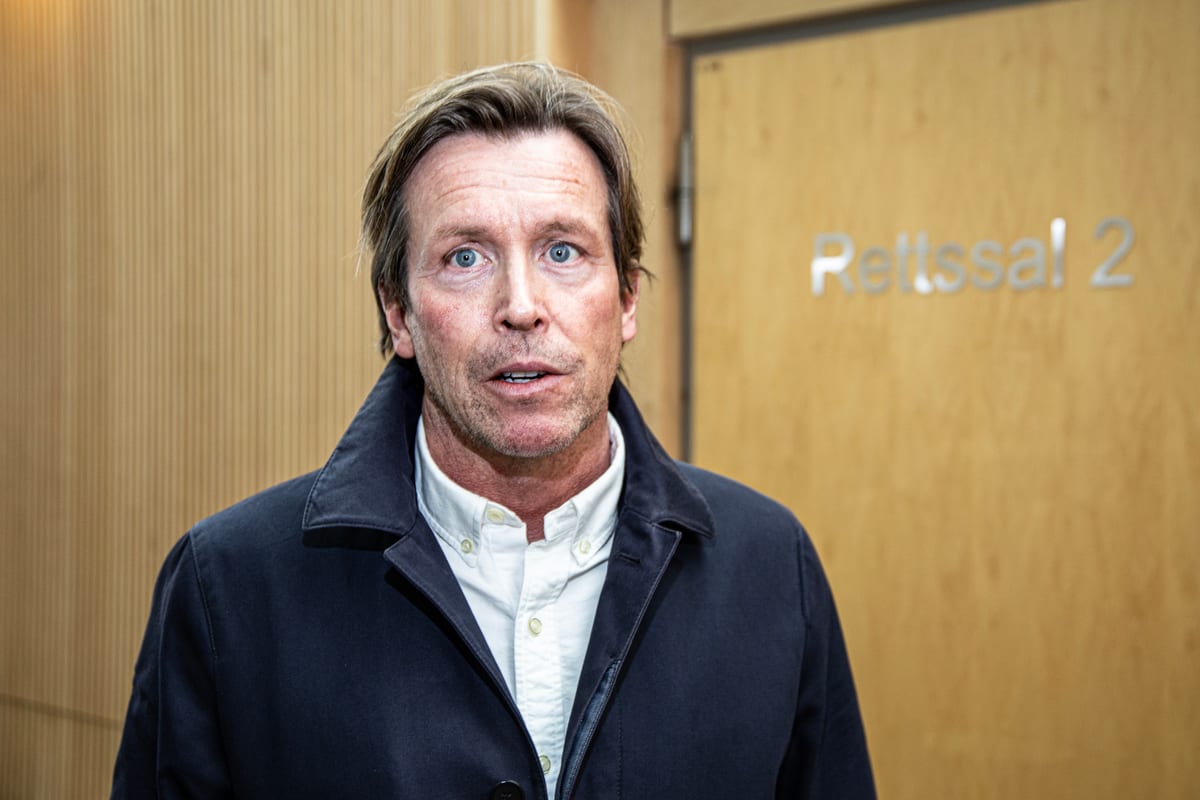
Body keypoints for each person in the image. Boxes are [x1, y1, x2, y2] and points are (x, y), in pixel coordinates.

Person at [112, 62, 874, 800]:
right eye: (465, 257)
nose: (521, 306)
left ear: (627, 299)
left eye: (563, 251)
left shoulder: (771, 567)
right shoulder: (227, 589)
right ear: (398, 313)